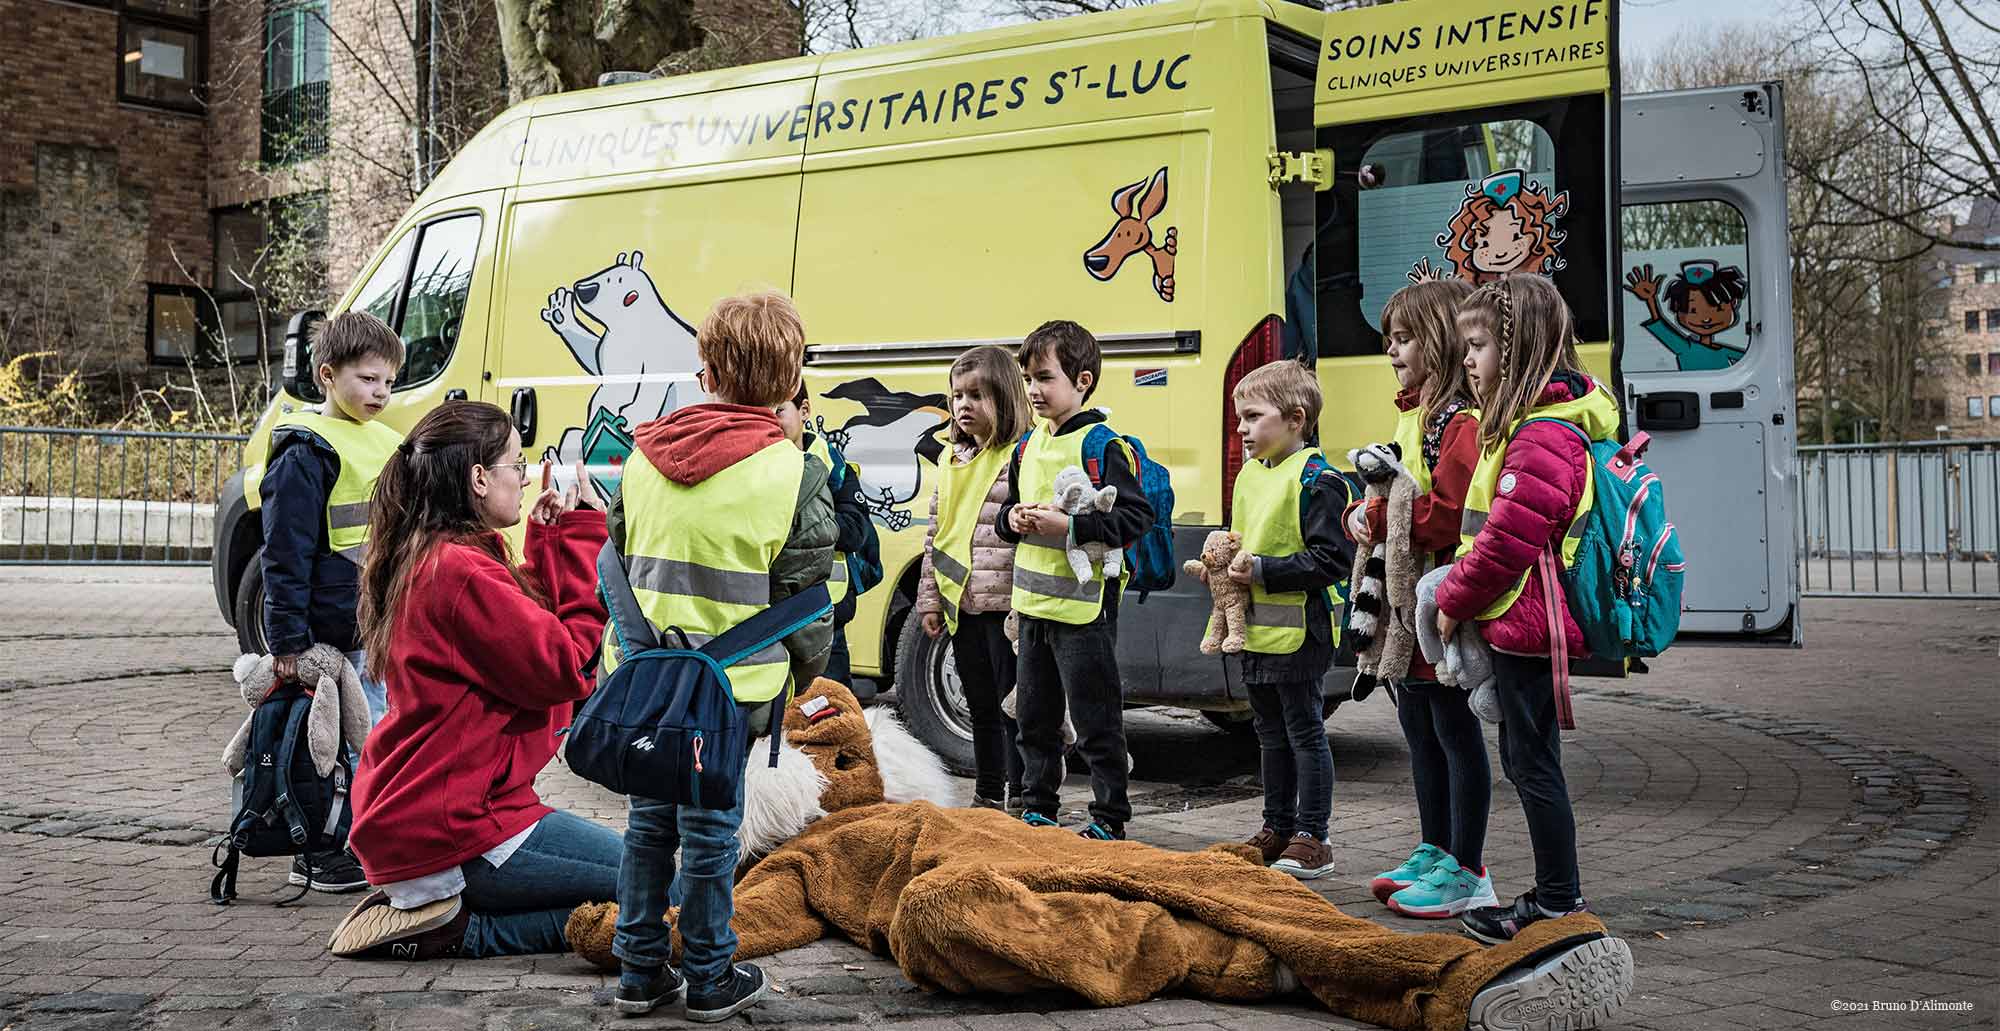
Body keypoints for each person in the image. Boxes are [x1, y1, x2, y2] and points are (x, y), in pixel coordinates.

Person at [606, 290, 834, 1021]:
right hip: (731, 691)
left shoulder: (641, 458)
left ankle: (639, 970)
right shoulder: (793, 472)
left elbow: (619, 562)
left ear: (705, 371)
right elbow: (806, 599)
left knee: (647, 824)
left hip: (647, 682)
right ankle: (709, 975)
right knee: (710, 829)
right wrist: (796, 679)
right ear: (791, 375)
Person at [328, 401, 621, 962]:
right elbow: (565, 667)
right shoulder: (460, 571)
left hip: (430, 816)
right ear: (479, 478)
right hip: (463, 827)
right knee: (664, 885)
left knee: (641, 879)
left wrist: (551, 541)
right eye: (517, 462)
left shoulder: (436, 555)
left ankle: (434, 905)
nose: (528, 475)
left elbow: (517, 627)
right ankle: (463, 928)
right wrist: (587, 536)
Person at [1435, 273, 1620, 944]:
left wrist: (1452, 600)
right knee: (1527, 757)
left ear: (1517, 353)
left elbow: (1505, 543)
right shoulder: (1535, 428)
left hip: (1532, 629)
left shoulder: (1544, 438)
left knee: (1533, 763)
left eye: (1479, 346)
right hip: (1525, 626)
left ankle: (1558, 901)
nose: (1470, 362)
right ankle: (1555, 894)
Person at [1349, 278, 1497, 918]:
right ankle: (1434, 847)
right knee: (1419, 728)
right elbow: (1396, 491)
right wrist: (1365, 511)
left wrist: (1381, 517)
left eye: (1403, 338)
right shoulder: (1414, 415)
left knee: (1454, 733)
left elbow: (1451, 513)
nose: (1392, 351)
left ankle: (1468, 866)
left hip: (1439, 609)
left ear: (1436, 341)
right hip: (1407, 613)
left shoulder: (1457, 424)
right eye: (1389, 340)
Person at [258, 310, 404, 894]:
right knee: (337, 747)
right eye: (368, 379)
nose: (380, 393)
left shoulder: (389, 442)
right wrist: (287, 640)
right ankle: (321, 853)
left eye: (389, 382)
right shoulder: (305, 450)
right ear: (326, 374)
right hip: (332, 632)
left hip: (377, 625)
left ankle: (365, 843)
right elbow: (283, 552)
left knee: (376, 737)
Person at [995, 320, 1154, 842]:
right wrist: (1011, 520)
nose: (1034, 391)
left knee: (1096, 720)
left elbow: (1135, 517)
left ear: (1082, 381)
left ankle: (1110, 817)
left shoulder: (1103, 445)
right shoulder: (1027, 446)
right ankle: (1037, 807)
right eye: (1028, 379)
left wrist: (1072, 527)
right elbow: (1003, 516)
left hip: (1085, 612)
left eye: (1044, 377)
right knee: (1034, 720)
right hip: (1034, 610)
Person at [1219, 360, 1354, 880]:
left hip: (1302, 631)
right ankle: (1276, 826)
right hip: (1256, 629)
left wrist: (1263, 569)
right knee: (1269, 733)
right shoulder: (1252, 474)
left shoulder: (1320, 481)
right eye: (1240, 418)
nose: (1242, 429)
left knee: (1305, 732)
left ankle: (1313, 836)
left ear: (1296, 419)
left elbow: (1330, 560)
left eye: (1253, 417)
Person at [916, 345, 1034, 812]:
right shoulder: (951, 460)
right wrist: (930, 599)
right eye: (957, 396)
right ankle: (987, 793)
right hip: (960, 605)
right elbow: (936, 534)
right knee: (980, 707)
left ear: (1004, 398)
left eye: (976, 395)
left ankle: (1023, 795)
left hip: (1005, 608)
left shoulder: (1020, 456)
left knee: (1013, 709)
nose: (963, 405)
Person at [774, 382, 877, 688]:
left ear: (804, 411)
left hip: (824, 614)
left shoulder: (831, 462)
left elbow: (855, 530)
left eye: (779, 410)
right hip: (773, 614)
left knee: (827, 711)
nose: (772, 421)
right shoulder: (755, 463)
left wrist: (793, 527)